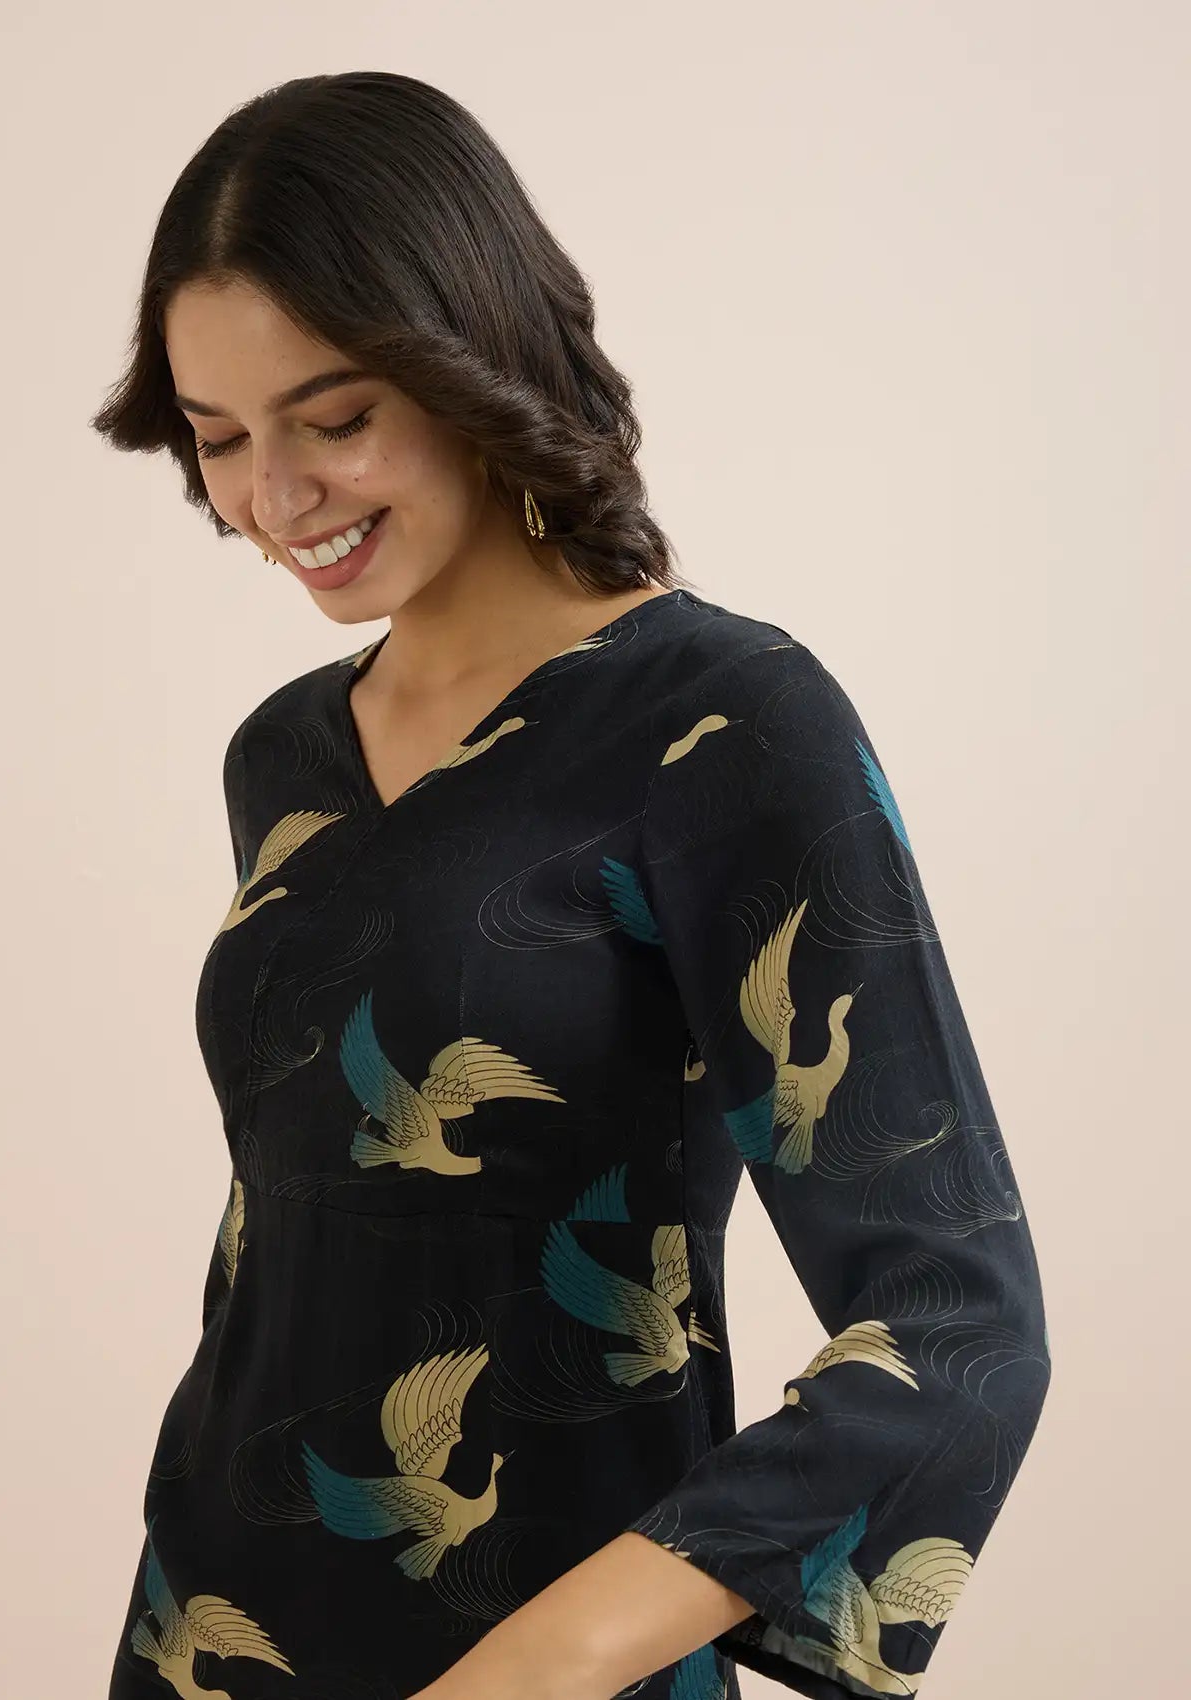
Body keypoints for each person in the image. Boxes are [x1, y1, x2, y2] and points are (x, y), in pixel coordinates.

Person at [92, 71, 1051, 1700]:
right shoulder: (284, 758)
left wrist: (546, 1665)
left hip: (551, 1655)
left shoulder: (725, 721)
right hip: (212, 1630)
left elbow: (957, 1325)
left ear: (469, 360)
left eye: (335, 419)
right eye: (221, 439)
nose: (274, 498)